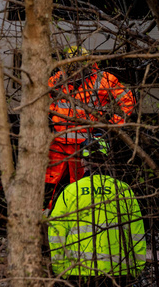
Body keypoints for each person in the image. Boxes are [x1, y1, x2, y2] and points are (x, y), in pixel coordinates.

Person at [48, 137, 147, 287]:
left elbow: (56, 232)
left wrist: (60, 268)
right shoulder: (124, 191)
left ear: (83, 162)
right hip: (118, 273)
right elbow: (137, 233)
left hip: (79, 271)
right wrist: (136, 268)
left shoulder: (71, 192)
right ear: (107, 160)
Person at [47, 45, 135, 206]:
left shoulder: (103, 80)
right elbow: (42, 98)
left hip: (84, 145)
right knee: (48, 182)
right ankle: (42, 217)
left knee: (81, 185)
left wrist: (112, 126)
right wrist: (51, 115)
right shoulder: (58, 78)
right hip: (57, 143)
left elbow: (127, 102)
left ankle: (80, 215)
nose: (72, 74)